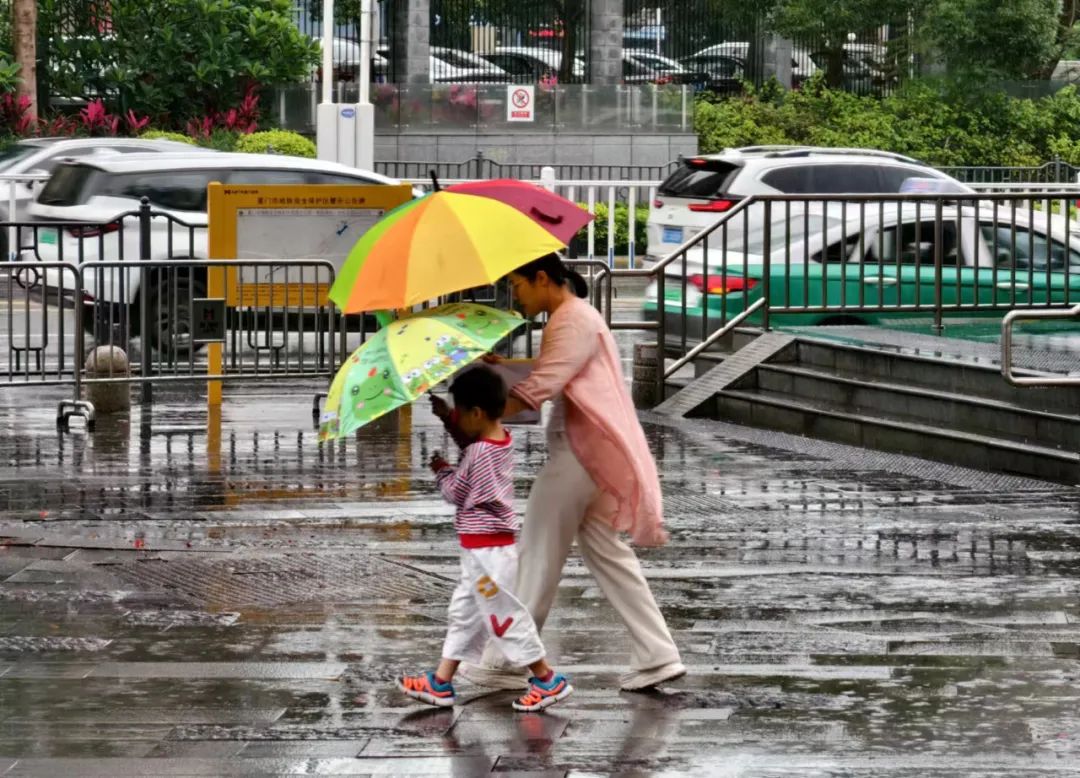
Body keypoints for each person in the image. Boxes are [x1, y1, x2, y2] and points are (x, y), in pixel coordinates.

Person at [462, 252, 685, 692]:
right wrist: (499, 370)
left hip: (579, 458)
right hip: (592, 454)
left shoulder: (570, 319)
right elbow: (555, 373)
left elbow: (539, 388)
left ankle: (507, 660)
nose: (515, 296)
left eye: (518, 285)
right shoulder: (574, 318)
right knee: (609, 557)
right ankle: (658, 655)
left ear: (542, 278)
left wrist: (478, 416)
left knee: (536, 556)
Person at [398, 365, 573, 712]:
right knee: (463, 614)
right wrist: (449, 418)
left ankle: (546, 678)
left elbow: (458, 492)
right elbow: (471, 441)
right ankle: (441, 682)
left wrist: (442, 471)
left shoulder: (478, 453)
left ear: (476, 413)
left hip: (488, 552)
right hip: (484, 548)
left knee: (504, 618)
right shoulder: (498, 438)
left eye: (462, 413)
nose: (460, 420)